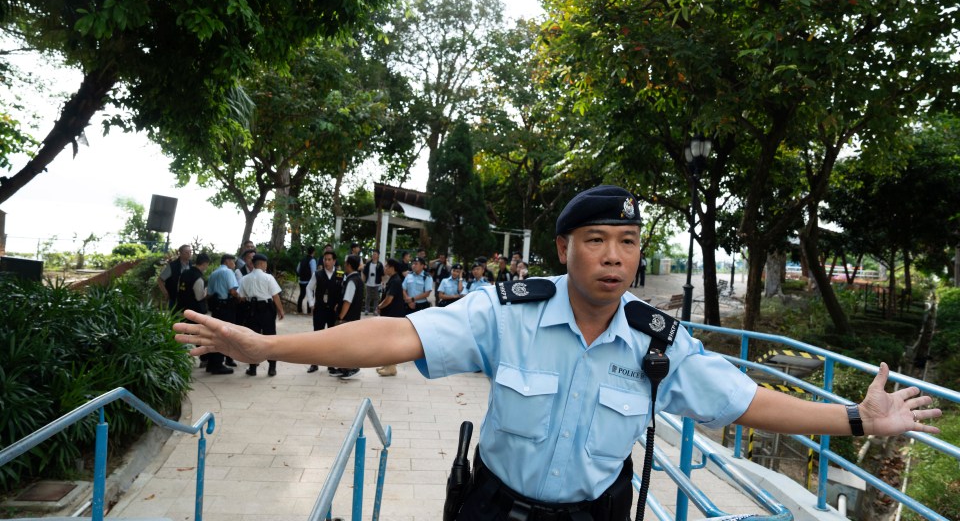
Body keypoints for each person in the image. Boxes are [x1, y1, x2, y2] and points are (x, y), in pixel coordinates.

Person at [175, 185, 941, 521]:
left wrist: (856, 418)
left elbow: (741, 399)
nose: (615, 257)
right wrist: (267, 340)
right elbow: (397, 334)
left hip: (595, 517)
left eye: (629, 243)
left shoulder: (658, 341)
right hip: (493, 509)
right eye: (597, 241)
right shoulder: (508, 313)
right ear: (565, 248)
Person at [237, 253, 284, 377]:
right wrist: (280, 310)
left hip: (251, 310)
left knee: (253, 339)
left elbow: (240, 297)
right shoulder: (268, 277)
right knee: (270, 338)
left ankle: (252, 368)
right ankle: (272, 368)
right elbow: (275, 296)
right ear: (262, 264)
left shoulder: (244, 278)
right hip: (266, 309)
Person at [305, 251, 344, 374]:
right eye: (325, 259)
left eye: (329, 259)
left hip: (333, 310)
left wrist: (340, 304)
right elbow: (309, 288)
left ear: (334, 261)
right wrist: (311, 303)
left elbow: (344, 290)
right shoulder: (317, 274)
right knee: (317, 336)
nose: (326, 262)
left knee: (333, 337)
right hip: (320, 309)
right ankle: (314, 363)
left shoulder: (340, 274)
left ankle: (331, 364)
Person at [328, 254, 364, 379]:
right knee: (344, 344)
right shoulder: (356, 279)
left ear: (349, 265)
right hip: (353, 317)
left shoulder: (352, 281)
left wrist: (341, 317)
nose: (344, 266)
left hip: (348, 318)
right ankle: (343, 368)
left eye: (345, 264)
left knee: (346, 345)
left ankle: (351, 368)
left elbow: (348, 301)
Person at [206, 253, 241, 374]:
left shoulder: (213, 273)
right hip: (226, 307)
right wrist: (240, 297)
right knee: (225, 335)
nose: (234, 264)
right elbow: (232, 290)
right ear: (227, 261)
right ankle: (218, 365)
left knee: (215, 334)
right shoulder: (228, 272)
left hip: (216, 307)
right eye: (233, 262)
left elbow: (209, 294)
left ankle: (211, 364)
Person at [374, 258, 405, 377]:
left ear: (392, 268)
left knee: (390, 342)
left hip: (393, 316)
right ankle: (387, 365)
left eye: (387, 266)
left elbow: (389, 299)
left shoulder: (395, 281)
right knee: (388, 341)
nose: (385, 268)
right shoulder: (393, 279)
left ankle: (391, 367)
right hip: (391, 316)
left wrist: (379, 306)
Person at [156, 244, 193, 309]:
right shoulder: (172, 266)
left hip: (187, 298)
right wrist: (166, 293)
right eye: (186, 252)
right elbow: (160, 280)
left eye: (190, 252)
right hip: (174, 298)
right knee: (175, 317)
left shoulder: (191, 264)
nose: (189, 254)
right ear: (180, 254)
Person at [362, 249, 385, 315]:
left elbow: (382, 274)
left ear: (378, 255)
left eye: (375, 254)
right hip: (369, 282)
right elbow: (364, 273)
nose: (373, 255)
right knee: (368, 297)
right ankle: (366, 309)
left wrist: (382, 283)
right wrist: (363, 281)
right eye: (373, 254)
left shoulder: (379, 264)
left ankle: (375, 310)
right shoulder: (368, 264)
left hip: (377, 283)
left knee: (376, 297)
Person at [296, 246, 318, 314]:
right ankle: (309, 311)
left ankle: (299, 310)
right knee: (310, 295)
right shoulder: (312, 260)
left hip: (301, 281)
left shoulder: (302, 260)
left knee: (301, 295)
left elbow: (297, 270)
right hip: (309, 281)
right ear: (313, 252)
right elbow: (313, 272)